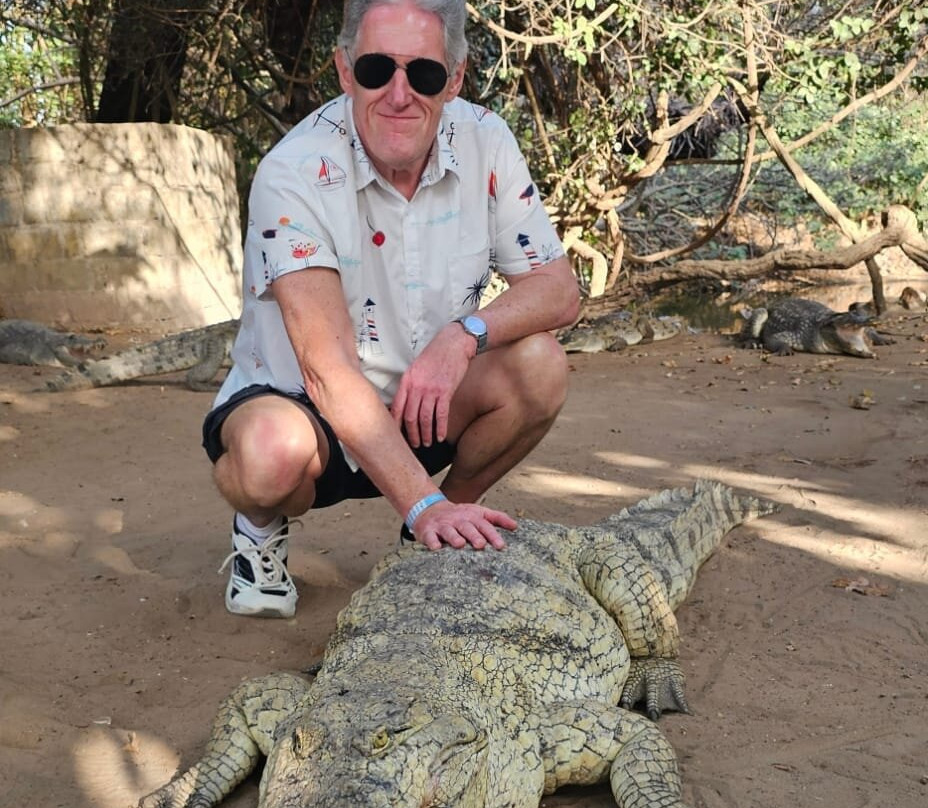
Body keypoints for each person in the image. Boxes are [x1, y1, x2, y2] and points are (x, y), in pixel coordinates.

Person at [203, 0, 580, 618]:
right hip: (306, 407)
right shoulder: (292, 173)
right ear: (345, 70)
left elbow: (558, 288)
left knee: (540, 366)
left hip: (420, 402)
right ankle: (260, 529)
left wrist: (463, 337)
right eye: (377, 69)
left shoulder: (486, 139)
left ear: (454, 79)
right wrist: (418, 498)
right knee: (270, 453)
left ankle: (430, 536)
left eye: (424, 74)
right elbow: (327, 371)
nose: (399, 94)